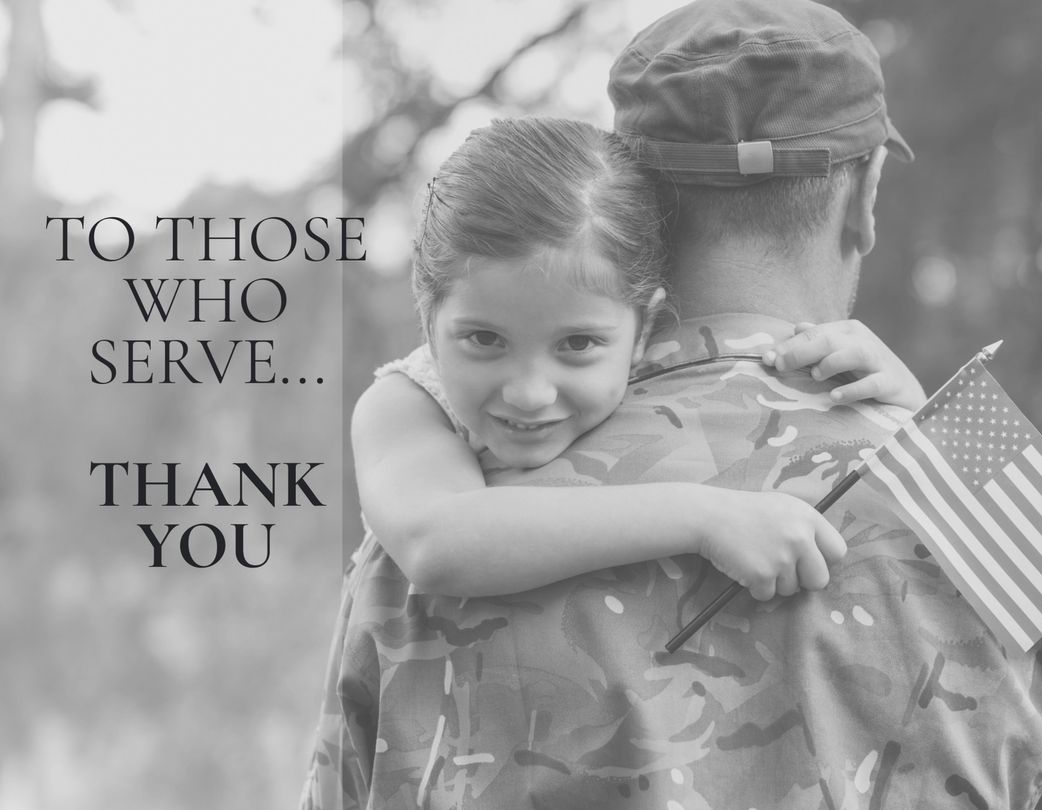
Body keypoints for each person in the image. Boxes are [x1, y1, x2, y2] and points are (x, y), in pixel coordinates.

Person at [302, 2, 1042, 808]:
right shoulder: (997, 509)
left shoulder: (437, 517)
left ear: (631, 203)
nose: (529, 390)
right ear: (865, 198)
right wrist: (919, 440)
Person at [354, 116, 922, 604]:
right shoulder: (406, 402)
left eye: (575, 346)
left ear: (645, 325)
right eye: (483, 340)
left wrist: (908, 404)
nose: (529, 392)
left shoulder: (670, 368)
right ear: (428, 318)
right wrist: (706, 518)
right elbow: (435, 544)